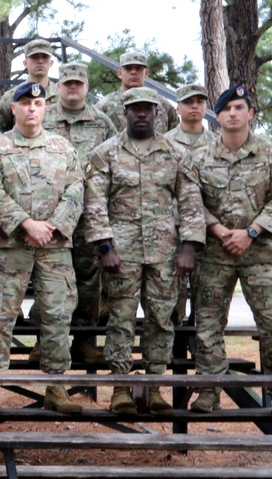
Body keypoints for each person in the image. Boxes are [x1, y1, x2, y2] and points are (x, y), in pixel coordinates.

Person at [83, 87, 205, 416]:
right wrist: (104, 246)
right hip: (121, 253)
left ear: (156, 113)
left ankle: (154, 389)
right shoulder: (105, 153)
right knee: (121, 320)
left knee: (161, 321)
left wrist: (189, 247)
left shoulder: (177, 153)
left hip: (166, 253)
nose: (141, 113)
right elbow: (94, 202)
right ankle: (121, 389)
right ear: (124, 113)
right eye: (134, 108)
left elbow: (191, 202)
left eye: (147, 109)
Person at [188, 85, 272, 419]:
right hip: (215, 252)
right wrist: (221, 231)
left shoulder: (271, 154)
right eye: (226, 109)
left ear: (250, 113)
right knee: (207, 324)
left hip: (260, 252)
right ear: (217, 116)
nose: (233, 113)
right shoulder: (199, 158)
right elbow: (190, 201)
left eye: (239, 107)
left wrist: (251, 232)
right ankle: (208, 391)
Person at [0, 82, 83, 415]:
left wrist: (49, 228)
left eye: (37, 103)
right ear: (14, 108)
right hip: (10, 246)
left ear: (46, 107)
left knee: (56, 315)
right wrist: (26, 224)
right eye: (25, 103)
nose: (31, 109)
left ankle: (56, 386)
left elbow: (76, 191)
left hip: (54, 248)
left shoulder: (62, 148)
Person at [32, 62, 117, 364]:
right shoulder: (43, 115)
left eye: (77, 84)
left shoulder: (102, 122)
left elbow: (112, 162)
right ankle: (46, 340)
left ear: (86, 87)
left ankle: (84, 339)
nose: (72, 88)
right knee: (48, 277)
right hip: (48, 212)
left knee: (87, 278)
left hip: (87, 215)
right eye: (67, 83)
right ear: (58, 86)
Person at [164, 83, 215, 324]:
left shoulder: (217, 144)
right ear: (178, 108)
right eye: (188, 102)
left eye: (199, 102)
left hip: (209, 231)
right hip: (170, 229)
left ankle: (200, 347)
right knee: (171, 296)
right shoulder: (163, 143)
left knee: (207, 295)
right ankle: (175, 350)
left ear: (206, 107)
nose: (194, 106)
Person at [95, 51, 179, 132]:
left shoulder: (163, 105)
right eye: (128, 68)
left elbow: (176, 137)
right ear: (120, 73)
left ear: (146, 73)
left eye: (138, 68)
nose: (133, 72)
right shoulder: (104, 106)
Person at [0, 39, 58, 132]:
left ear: (51, 63)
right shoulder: (11, 97)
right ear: (25, 63)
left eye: (45, 57)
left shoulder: (62, 96)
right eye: (34, 57)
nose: (40, 61)